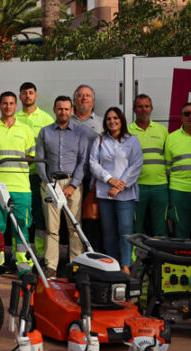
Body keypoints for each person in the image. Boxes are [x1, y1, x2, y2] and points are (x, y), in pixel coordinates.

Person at [0, 91, 35, 276]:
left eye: (11, 103)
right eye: (4, 103)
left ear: (15, 106)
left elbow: (30, 157)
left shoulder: (25, 130)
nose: (8, 106)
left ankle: (23, 264)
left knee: (21, 227)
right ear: (0, 106)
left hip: (21, 188)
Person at [36, 96, 89, 278]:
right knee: (51, 228)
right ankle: (51, 267)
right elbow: (40, 160)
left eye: (67, 109)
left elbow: (83, 162)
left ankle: (75, 265)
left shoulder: (80, 133)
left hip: (72, 184)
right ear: (54, 109)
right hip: (50, 184)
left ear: (71, 111)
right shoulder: (45, 132)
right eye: (60, 109)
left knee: (75, 227)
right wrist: (48, 183)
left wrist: (73, 185)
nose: (63, 112)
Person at [90, 107, 143, 274]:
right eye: (109, 119)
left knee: (126, 230)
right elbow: (93, 164)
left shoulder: (132, 141)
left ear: (122, 120)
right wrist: (109, 180)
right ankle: (112, 264)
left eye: (115, 118)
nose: (112, 122)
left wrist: (120, 185)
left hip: (126, 194)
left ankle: (125, 265)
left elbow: (137, 164)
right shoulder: (100, 141)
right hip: (105, 193)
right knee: (108, 231)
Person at [15, 82, 55, 260]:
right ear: (20, 96)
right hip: (19, 176)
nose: (28, 96)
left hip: (39, 175)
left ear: (36, 95)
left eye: (31, 93)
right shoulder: (14, 118)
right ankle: (21, 254)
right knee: (20, 217)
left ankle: (39, 254)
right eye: (24, 93)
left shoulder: (46, 119)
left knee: (40, 216)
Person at [128, 94, 168, 236]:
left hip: (160, 186)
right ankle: (134, 257)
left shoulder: (162, 130)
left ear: (151, 109)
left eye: (146, 106)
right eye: (140, 106)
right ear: (134, 109)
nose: (143, 109)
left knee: (160, 226)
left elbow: (168, 158)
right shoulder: (128, 132)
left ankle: (161, 257)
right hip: (137, 186)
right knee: (135, 226)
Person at [72, 84, 104, 252]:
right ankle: (75, 255)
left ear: (93, 101)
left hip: (93, 179)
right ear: (74, 100)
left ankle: (92, 254)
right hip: (70, 180)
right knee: (72, 221)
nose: (84, 98)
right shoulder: (66, 121)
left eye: (88, 96)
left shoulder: (101, 123)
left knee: (92, 219)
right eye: (80, 95)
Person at [164, 103, 191, 239]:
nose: (190, 116)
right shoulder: (172, 138)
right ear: (181, 117)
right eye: (186, 113)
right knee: (181, 228)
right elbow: (167, 167)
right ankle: (182, 259)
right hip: (178, 190)